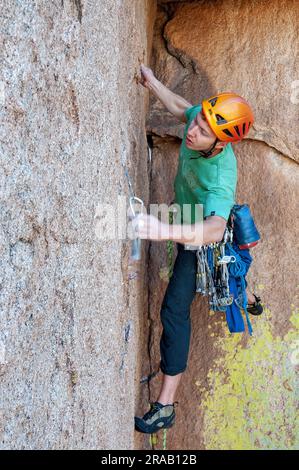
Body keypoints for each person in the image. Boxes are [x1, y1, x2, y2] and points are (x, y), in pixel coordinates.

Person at [133, 64, 263, 434]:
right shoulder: (202, 118)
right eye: (197, 123)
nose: (191, 132)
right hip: (184, 215)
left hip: (203, 239)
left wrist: (162, 230)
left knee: (174, 309)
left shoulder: (222, 177)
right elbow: (181, 107)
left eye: (202, 132)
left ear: (221, 143)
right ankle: (248, 293)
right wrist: (153, 81)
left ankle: (165, 407)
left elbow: (214, 227)